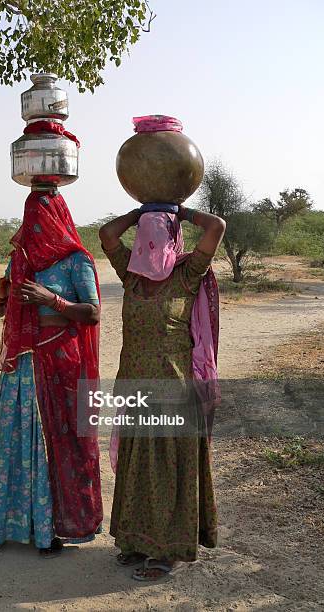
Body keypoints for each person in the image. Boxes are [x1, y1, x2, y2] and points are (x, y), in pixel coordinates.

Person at [0, 189, 103, 560]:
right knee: (14, 444)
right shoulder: (20, 261)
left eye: (41, 215)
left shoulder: (76, 260)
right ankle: (1, 527)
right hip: (21, 369)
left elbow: (92, 313)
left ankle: (52, 528)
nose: (33, 224)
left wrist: (51, 299)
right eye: (29, 215)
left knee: (58, 445)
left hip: (60, 363)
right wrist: (0, 297)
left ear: (57, 217)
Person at [99, 203, 225, 581]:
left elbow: (216, 227)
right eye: (144, 237)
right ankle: (135, 542)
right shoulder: (131, 277)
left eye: (158, 236)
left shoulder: (187, 274)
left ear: (171, 241)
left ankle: (167, 552)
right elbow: (107, 235)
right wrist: (141, 212)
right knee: (139, 467)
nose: (150, 244)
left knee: (169, 470)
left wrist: (180, 213)